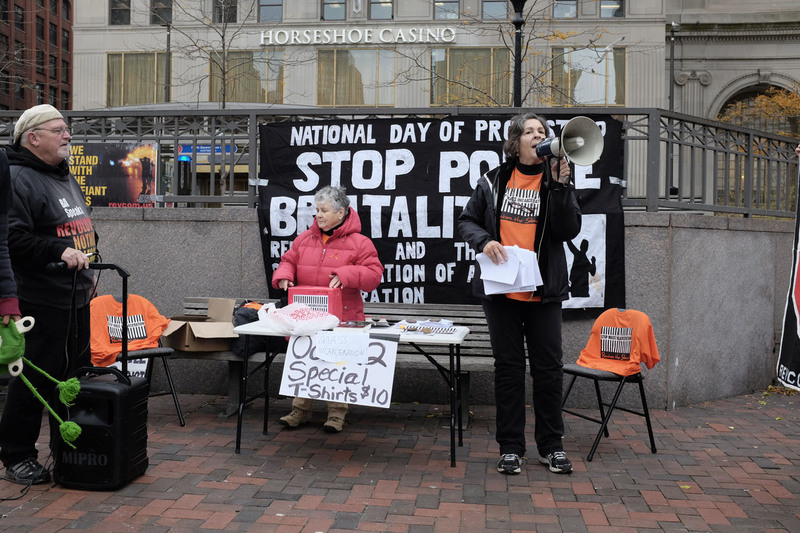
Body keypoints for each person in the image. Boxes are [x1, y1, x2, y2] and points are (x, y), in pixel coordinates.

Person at [458, 112, 582, 475]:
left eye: (542, 131)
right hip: (502, 295)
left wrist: (561, 188)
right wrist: (485, 241)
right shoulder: (494, 180)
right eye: (529, 131)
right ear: (515, 141)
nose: (537, 135)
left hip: (543, 294)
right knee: (509, 371)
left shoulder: (555, 178)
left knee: (548, 370)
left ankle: (551, 446)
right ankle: (511, 447)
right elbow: (467, 220)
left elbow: (568, 230)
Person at [0, 104, 98, 486]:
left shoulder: (61, 175)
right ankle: (17, 455)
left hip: (74, 297)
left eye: (66, 129)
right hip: (37, 301)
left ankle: (65, 444)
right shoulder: (18, 177)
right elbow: (11, 238)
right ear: (33, 137)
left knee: (72, 379)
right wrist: (58, 251)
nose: (67, 135)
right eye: (59, 130)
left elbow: (70, 225)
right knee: (32, 382)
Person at [272, 185, 383, 433]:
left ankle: (336, 414)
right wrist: (284, 275)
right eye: (316, 210)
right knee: (305, 359)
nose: (318, 215)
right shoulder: (305, 238)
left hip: (342, 315)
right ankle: (299, 410)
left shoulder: (360, 243)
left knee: (337, 364)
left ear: (341, 212)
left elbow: (374, 276)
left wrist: (346, 274)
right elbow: (288, 260)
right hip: (306, 315)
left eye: (323, 210)